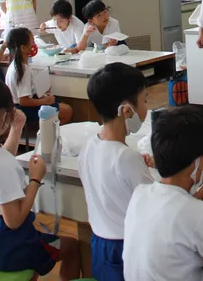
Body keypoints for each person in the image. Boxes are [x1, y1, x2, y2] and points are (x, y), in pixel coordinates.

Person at [0, 78, 80, 279]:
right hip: (8, 243)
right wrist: (35, 180)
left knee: (36, 251)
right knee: (72, 246)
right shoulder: (2, 164)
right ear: (4, 116)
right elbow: (14, 220)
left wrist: (16, 129)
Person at [123, 106, 203, 281]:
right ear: (200, 163)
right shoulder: (196, 212)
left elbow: (174, 212)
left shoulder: (141, 193)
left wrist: (199, 188)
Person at [79, 63, 154, 280]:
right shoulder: (126, 158)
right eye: (145, 100)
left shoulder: (89, 146)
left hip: (99, 244)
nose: (146, 108)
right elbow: (157, 208)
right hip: (126, 249)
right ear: (126, 111)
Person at [5, 28, 73, 125]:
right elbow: (23, 101)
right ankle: (48, 132)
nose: (34, 45)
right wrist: (45, 101)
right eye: (32, 42)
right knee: (67, 111)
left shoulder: (15, 65)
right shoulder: (22, 70)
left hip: (17, 106)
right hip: (24, 109)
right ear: (23, 48)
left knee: (57, 101)